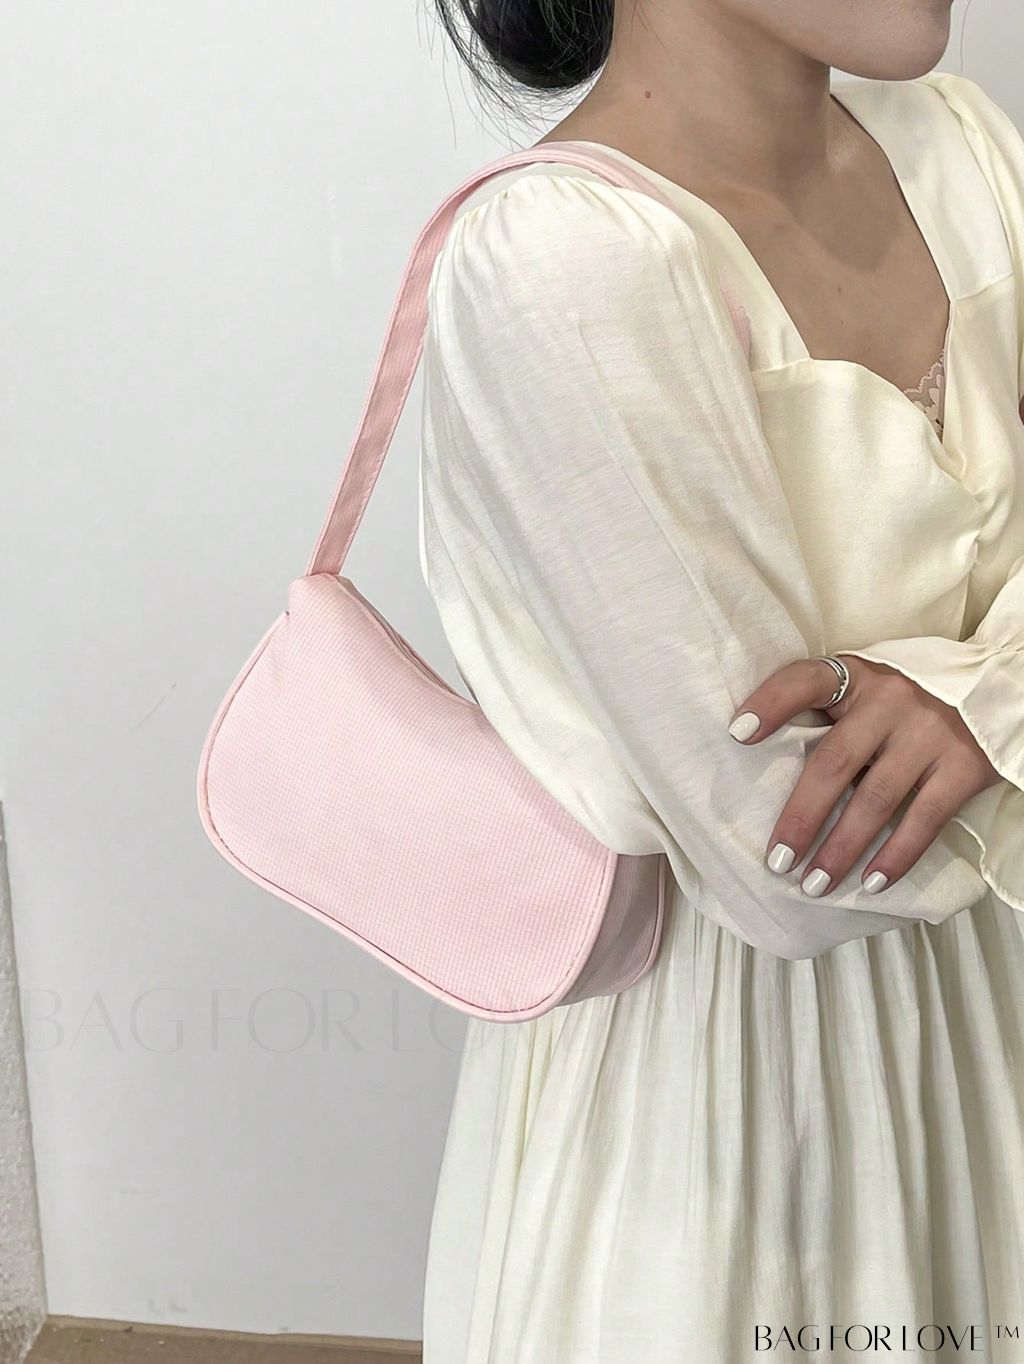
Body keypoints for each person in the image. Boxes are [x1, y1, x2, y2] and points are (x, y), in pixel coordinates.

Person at [417, 1, 1024, 1358]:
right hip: (732, 1105)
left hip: (995, 1006)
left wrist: (985, 704)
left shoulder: (964, 150)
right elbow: (791, 861)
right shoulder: (561, 265)